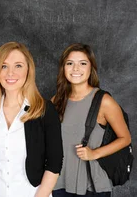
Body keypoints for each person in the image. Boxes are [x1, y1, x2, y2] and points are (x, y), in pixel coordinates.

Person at [0, 42, 63, 197]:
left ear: (28, 70)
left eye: (18, 66)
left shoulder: (45, 110)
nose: (11, 73)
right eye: (4, 66)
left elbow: (54, 163)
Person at [51, 43, 131, 197]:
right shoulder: (57, 100)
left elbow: (125, 138)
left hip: (92, 186)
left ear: (91, 68)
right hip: (60, 184)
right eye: (70, 63)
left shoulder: (104, 101)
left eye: (82, 63)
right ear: (63, 68)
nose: (75, 69)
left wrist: (94, 153)